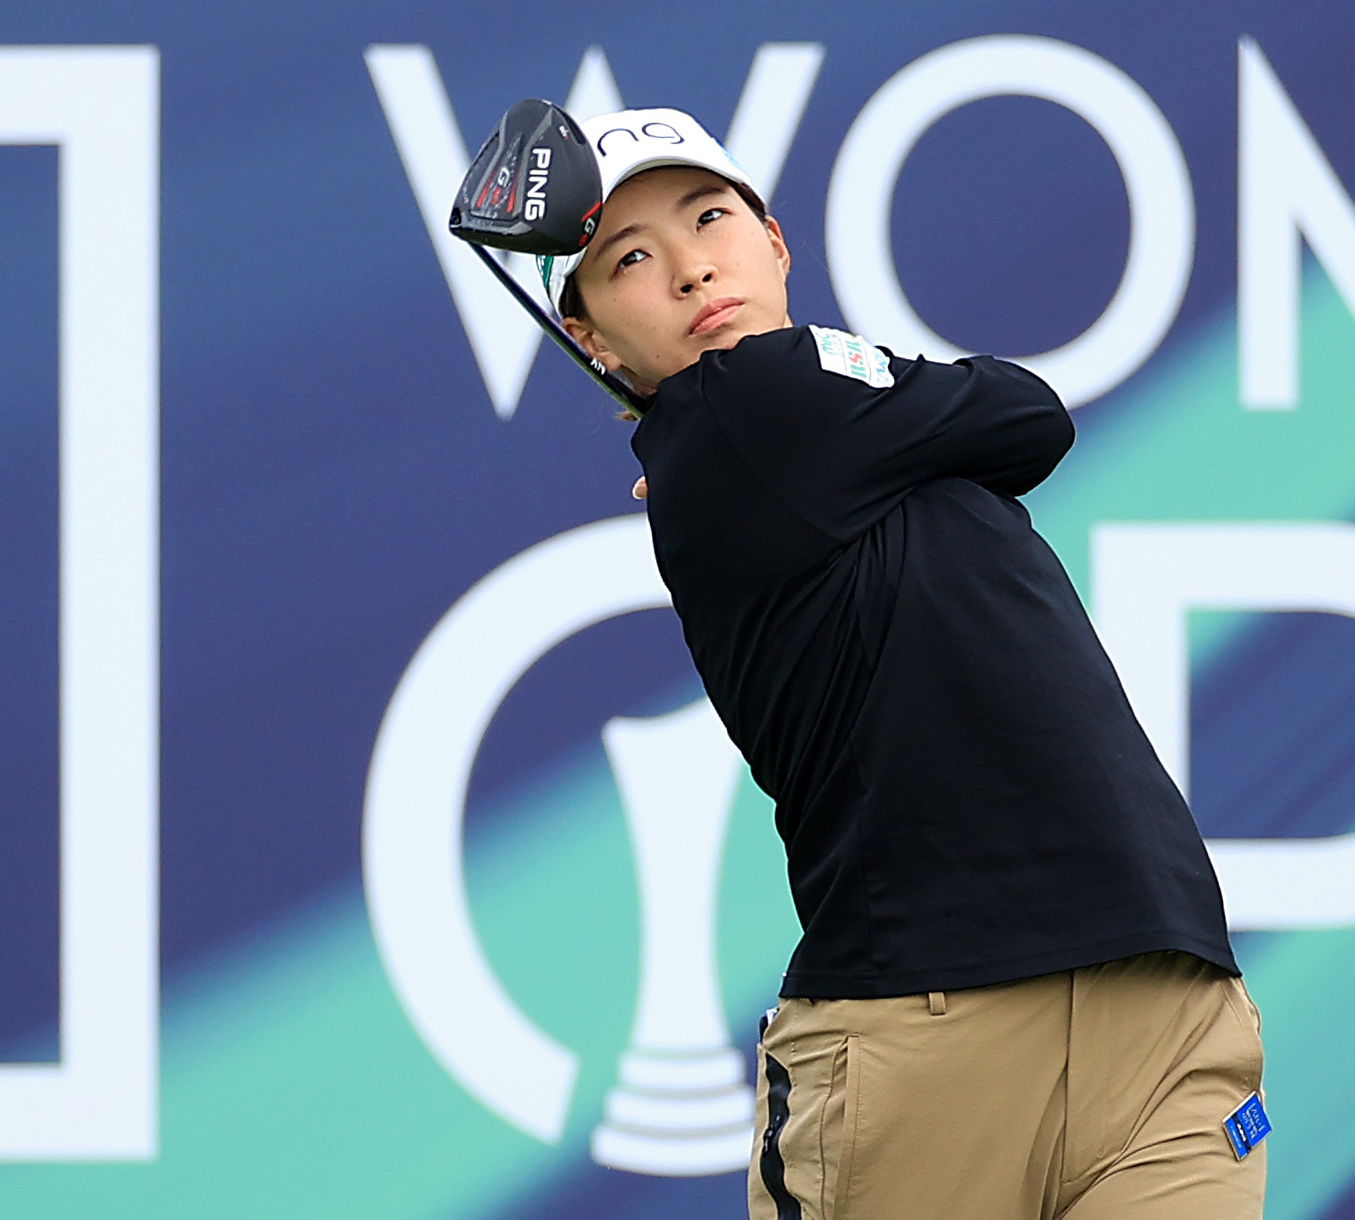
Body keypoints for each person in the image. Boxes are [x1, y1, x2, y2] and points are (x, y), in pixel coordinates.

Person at [541, 107, 1268, 1220]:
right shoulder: (749, 403)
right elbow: (1021, 411)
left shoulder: (798, 427)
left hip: (1159, 1007)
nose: (690, 269)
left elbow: (1030, 422)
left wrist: (877, 409)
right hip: (922, 1041)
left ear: (772, 242)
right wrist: (885, 395)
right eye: (629, 258)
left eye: (708, 219)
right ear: (592, 340)